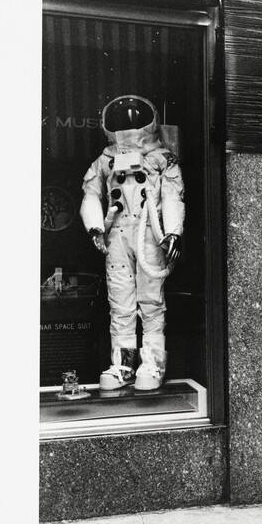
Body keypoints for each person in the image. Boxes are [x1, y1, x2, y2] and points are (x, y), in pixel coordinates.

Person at [80, 95, 185, 391]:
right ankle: (123, 365)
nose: (127, 123)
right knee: (120, 302)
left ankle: (152, 364)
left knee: (151, 302)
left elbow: (172, 195)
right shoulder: (105, 160)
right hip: (117, 233)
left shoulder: (161, 157)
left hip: (150, 232)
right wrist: (96, 226)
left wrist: (172, 231)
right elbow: (91, 194)